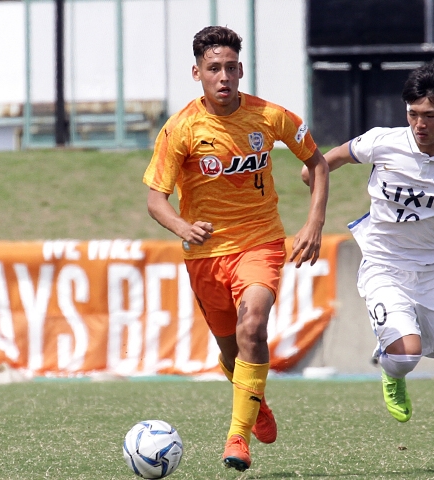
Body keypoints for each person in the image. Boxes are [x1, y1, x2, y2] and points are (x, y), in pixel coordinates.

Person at [143, 26, 329, 472]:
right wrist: (182, 226)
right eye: (213, 69)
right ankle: (256, 401)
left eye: (230, 67)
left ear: (241, 69)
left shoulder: (269, 116)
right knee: (231, 353)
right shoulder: (181, 129)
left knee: (254, 326)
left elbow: (317, 163)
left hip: (260, 242)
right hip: (205, 254)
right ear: (197, 73)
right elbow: (155, 200)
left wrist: (314, 223)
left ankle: (237, 437)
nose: (223, 76)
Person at [303, 61, 434, 471]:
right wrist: (312, 173)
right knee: (404, 356)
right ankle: (393, 373)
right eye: (412, 113)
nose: (419, 124)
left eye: (429, 115)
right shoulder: (382, 142)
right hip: (383, 265)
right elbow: (329, 158)